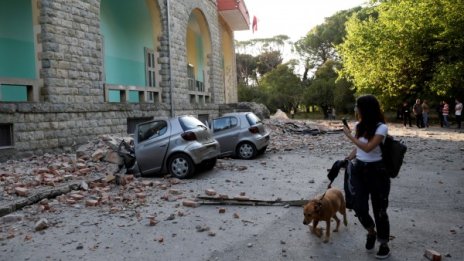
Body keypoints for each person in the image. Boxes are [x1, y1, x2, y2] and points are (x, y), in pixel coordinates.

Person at [343, 95, 391, 259]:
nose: (356, 109)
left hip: (377, 172)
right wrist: (348, 157)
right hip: (359, 170)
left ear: (366, 108)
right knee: (359, 206)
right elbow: (360, 148)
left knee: (380, 210)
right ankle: (371, 232)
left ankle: (383, 243)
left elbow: (369, 147)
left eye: (358, 106)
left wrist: (350, 136)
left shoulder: (381, 128)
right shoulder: (360, 125)